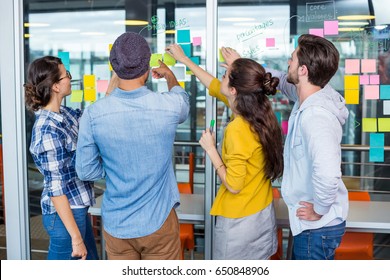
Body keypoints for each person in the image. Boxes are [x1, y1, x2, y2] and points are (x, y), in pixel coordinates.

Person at [220, 34, 349, 260]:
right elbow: (278, 79)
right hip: (310, 226)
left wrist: (319, 209)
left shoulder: (316, 117)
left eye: (292, 59)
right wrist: (242, 64)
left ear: (303, 70)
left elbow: (329, 175)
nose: (288, 63)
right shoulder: (309, 96)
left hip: (316, 227)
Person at [75, 32, 190, 260]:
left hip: (117, 225)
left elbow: (85, 170)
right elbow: (183, 100)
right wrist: (169, 77)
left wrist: (113, 168)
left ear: (113, 68)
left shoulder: (93, 114)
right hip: (159, 222)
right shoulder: (168, 106)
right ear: (147, 66)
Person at [167, 44, 283, 259]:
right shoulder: (258, 109)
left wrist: (211, 150)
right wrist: (185, 60)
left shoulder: (238, 128)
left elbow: (234, 185)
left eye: (226, 75)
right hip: (261, 213)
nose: (221, 76)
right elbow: (212, 84)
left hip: (241, 223)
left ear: (233, 90)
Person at [25, 56, 98, 260]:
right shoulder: (47, 129)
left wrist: (119, 75)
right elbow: (56, 189)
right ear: (56, 86)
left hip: (76, 211)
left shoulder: (64, 115)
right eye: (67, 75)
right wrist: (76, 238)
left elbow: (95, 117)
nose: (71, 79)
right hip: (65, 216)